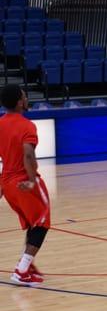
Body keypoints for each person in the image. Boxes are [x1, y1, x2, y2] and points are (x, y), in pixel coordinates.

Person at [0, 84, 50, 286]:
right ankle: (21, 269)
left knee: (32, 222)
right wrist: (31, 180)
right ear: (20, 101)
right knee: (42, 224)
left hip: (8, 182)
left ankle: (27, 265)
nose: (27, 99)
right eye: (25, 96)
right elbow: (28, 154)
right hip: (23, 182)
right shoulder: (26, 125)